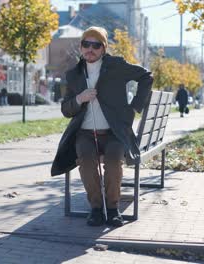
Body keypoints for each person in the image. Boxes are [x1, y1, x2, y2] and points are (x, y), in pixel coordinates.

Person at [51, 26, 153, 227]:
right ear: (80, 47)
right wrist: (80, 98)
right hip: (85, 134)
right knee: (86, 161)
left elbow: (146, 76)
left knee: (114, 162)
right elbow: (66, 109)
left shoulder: (116, 66)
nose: (90, 49)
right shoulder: (74, 74)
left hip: (115, 133)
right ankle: (96, 209)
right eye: (85, 44)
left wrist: (135, 107)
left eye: (96, 45)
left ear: (104, 48)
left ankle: (113, 209)